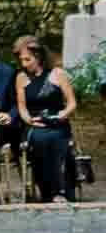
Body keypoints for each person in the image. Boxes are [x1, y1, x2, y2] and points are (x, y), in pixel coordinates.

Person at [14, 37, 77, 203]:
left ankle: (61, 190)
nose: (24, 64)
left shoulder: (58, 74)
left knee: (56, 139)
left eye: (28, 59)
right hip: (34, 123)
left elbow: (72, 103)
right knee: (40, 139)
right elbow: (22, 108)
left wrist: (62, 114)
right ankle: (47, 190)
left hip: (57, 121)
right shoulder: (21, 77)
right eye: (21, 60)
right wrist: (29, 120)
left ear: (39, 57)